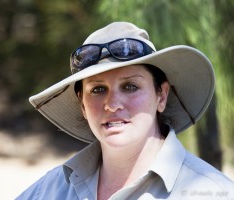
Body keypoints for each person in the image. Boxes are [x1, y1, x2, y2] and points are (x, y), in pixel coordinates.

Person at [16, 22, 234, 200]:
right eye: (98, 89)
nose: (112, 104)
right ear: (82, 105)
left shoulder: (215, 193)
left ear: (162, 95)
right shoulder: (49, 191)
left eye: (130, 86)